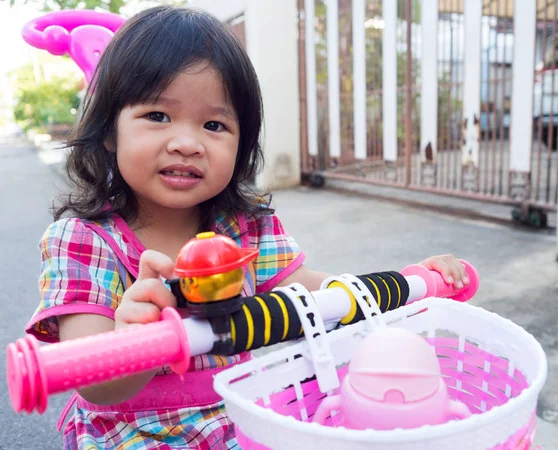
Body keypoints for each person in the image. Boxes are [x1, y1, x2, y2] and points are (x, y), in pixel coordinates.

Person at [25, 6, 470, 449]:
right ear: (109, 131)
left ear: (241, 146)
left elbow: (315, 295)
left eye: (214, 124)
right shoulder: (84, 240)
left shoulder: (244, 226)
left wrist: (406, 284)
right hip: (130, 434)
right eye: (158, 116)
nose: (187, 143)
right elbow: (93, 384)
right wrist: (132, 338)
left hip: (238, 420)